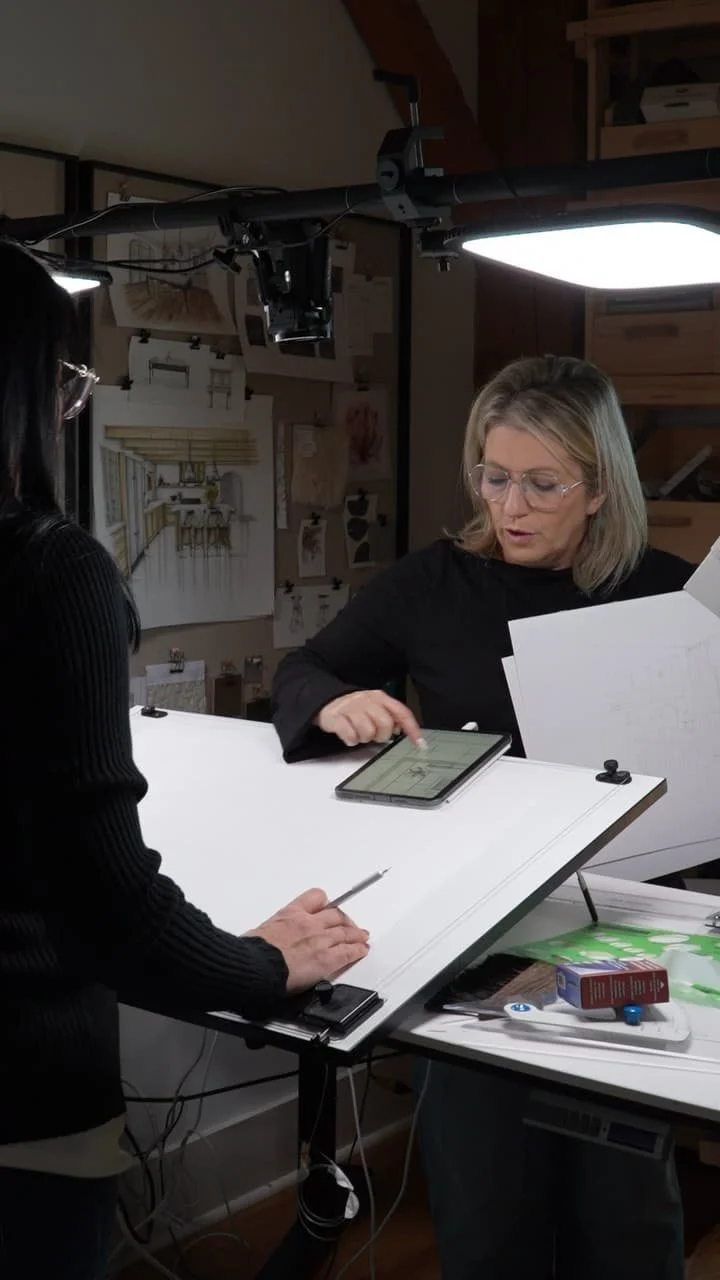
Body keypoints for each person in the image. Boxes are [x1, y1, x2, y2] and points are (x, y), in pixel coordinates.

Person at [272, 353, 690, 1280]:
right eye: (494, 478)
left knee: (627, 1216)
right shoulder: (434, 584)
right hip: (471, 937)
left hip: (623, 935)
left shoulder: (673, 594)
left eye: (543, 484)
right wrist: (333, 702)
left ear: (599, 487)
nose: (513, 507)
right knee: (484, 1208)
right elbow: (302, 669)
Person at [0, 240, 370, 1280]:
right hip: (21, 1102)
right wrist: (263, 964)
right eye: (67, 383)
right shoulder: (43, 570)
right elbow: (102, 902)